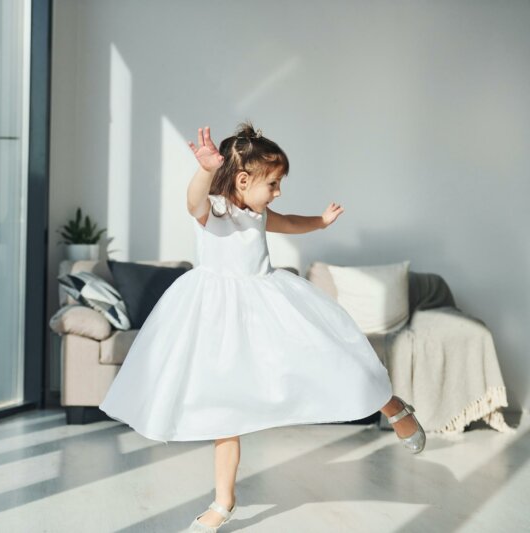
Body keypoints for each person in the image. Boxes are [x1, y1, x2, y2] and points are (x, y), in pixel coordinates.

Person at [98, 121, 426, 532]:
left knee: (336, 359)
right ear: (242, 179)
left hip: (268, 306)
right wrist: (203, 169)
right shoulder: (215, 209)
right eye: (273, 184)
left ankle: (392, 406)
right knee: (224, 412)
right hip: (217, 317)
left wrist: (320, 223)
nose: (278, 192)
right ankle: (223, 502)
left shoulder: (259, 212)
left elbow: (287, 221)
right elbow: (192, 201)